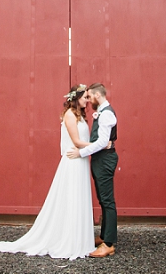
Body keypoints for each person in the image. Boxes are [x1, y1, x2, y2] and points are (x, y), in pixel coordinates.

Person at [0, 84, 96, 260]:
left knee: (79, 197)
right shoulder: (70, 115)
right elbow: (76, 141)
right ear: (76, 98)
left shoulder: (81, 116)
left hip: (81, 160)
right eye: (85, 98)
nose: (87, 100)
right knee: (72, 197)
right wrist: (99, 145)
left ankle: (80, 239)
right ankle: (70, 240)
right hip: (73, 161)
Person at [66, 82, 118, 258]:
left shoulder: (106, 114)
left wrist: (81, 152)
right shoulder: (101, 112)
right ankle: (104, 236)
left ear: (97, 95)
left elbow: (102, 142)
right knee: (103, 199)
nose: (88, 100)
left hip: (104, 160)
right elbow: (102, 142)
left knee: (107, 201)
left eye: (89, 96)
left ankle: (108, 244)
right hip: (99, 160)